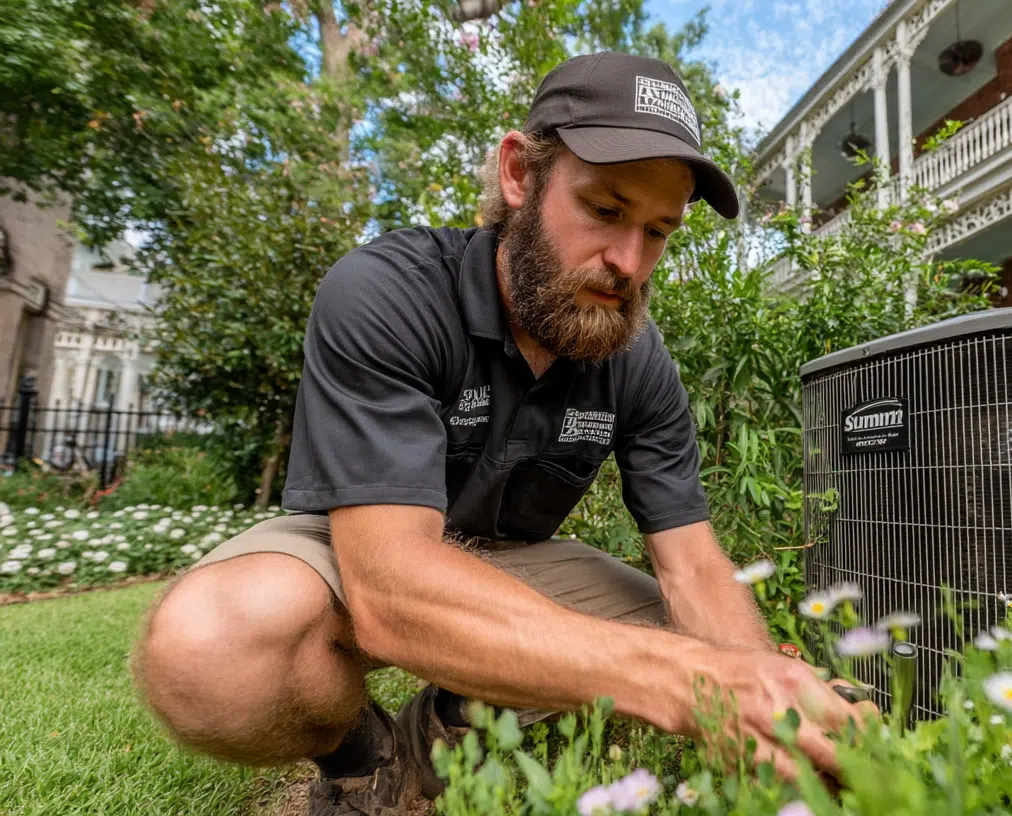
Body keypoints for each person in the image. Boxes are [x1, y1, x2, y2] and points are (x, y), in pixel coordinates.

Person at [131, 52, 872, 815]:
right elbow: (389, 588)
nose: (629, 263)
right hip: (365, 546)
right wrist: (681, 679)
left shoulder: (639, 359)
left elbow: (693, 570)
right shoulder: (389, 293)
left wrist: (771, 707)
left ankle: (448, 728)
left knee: (697, 630)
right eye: (607, 210)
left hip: (515, 564)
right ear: (520, 174)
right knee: (211, 647)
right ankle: (362, 760)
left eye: (658, 230)